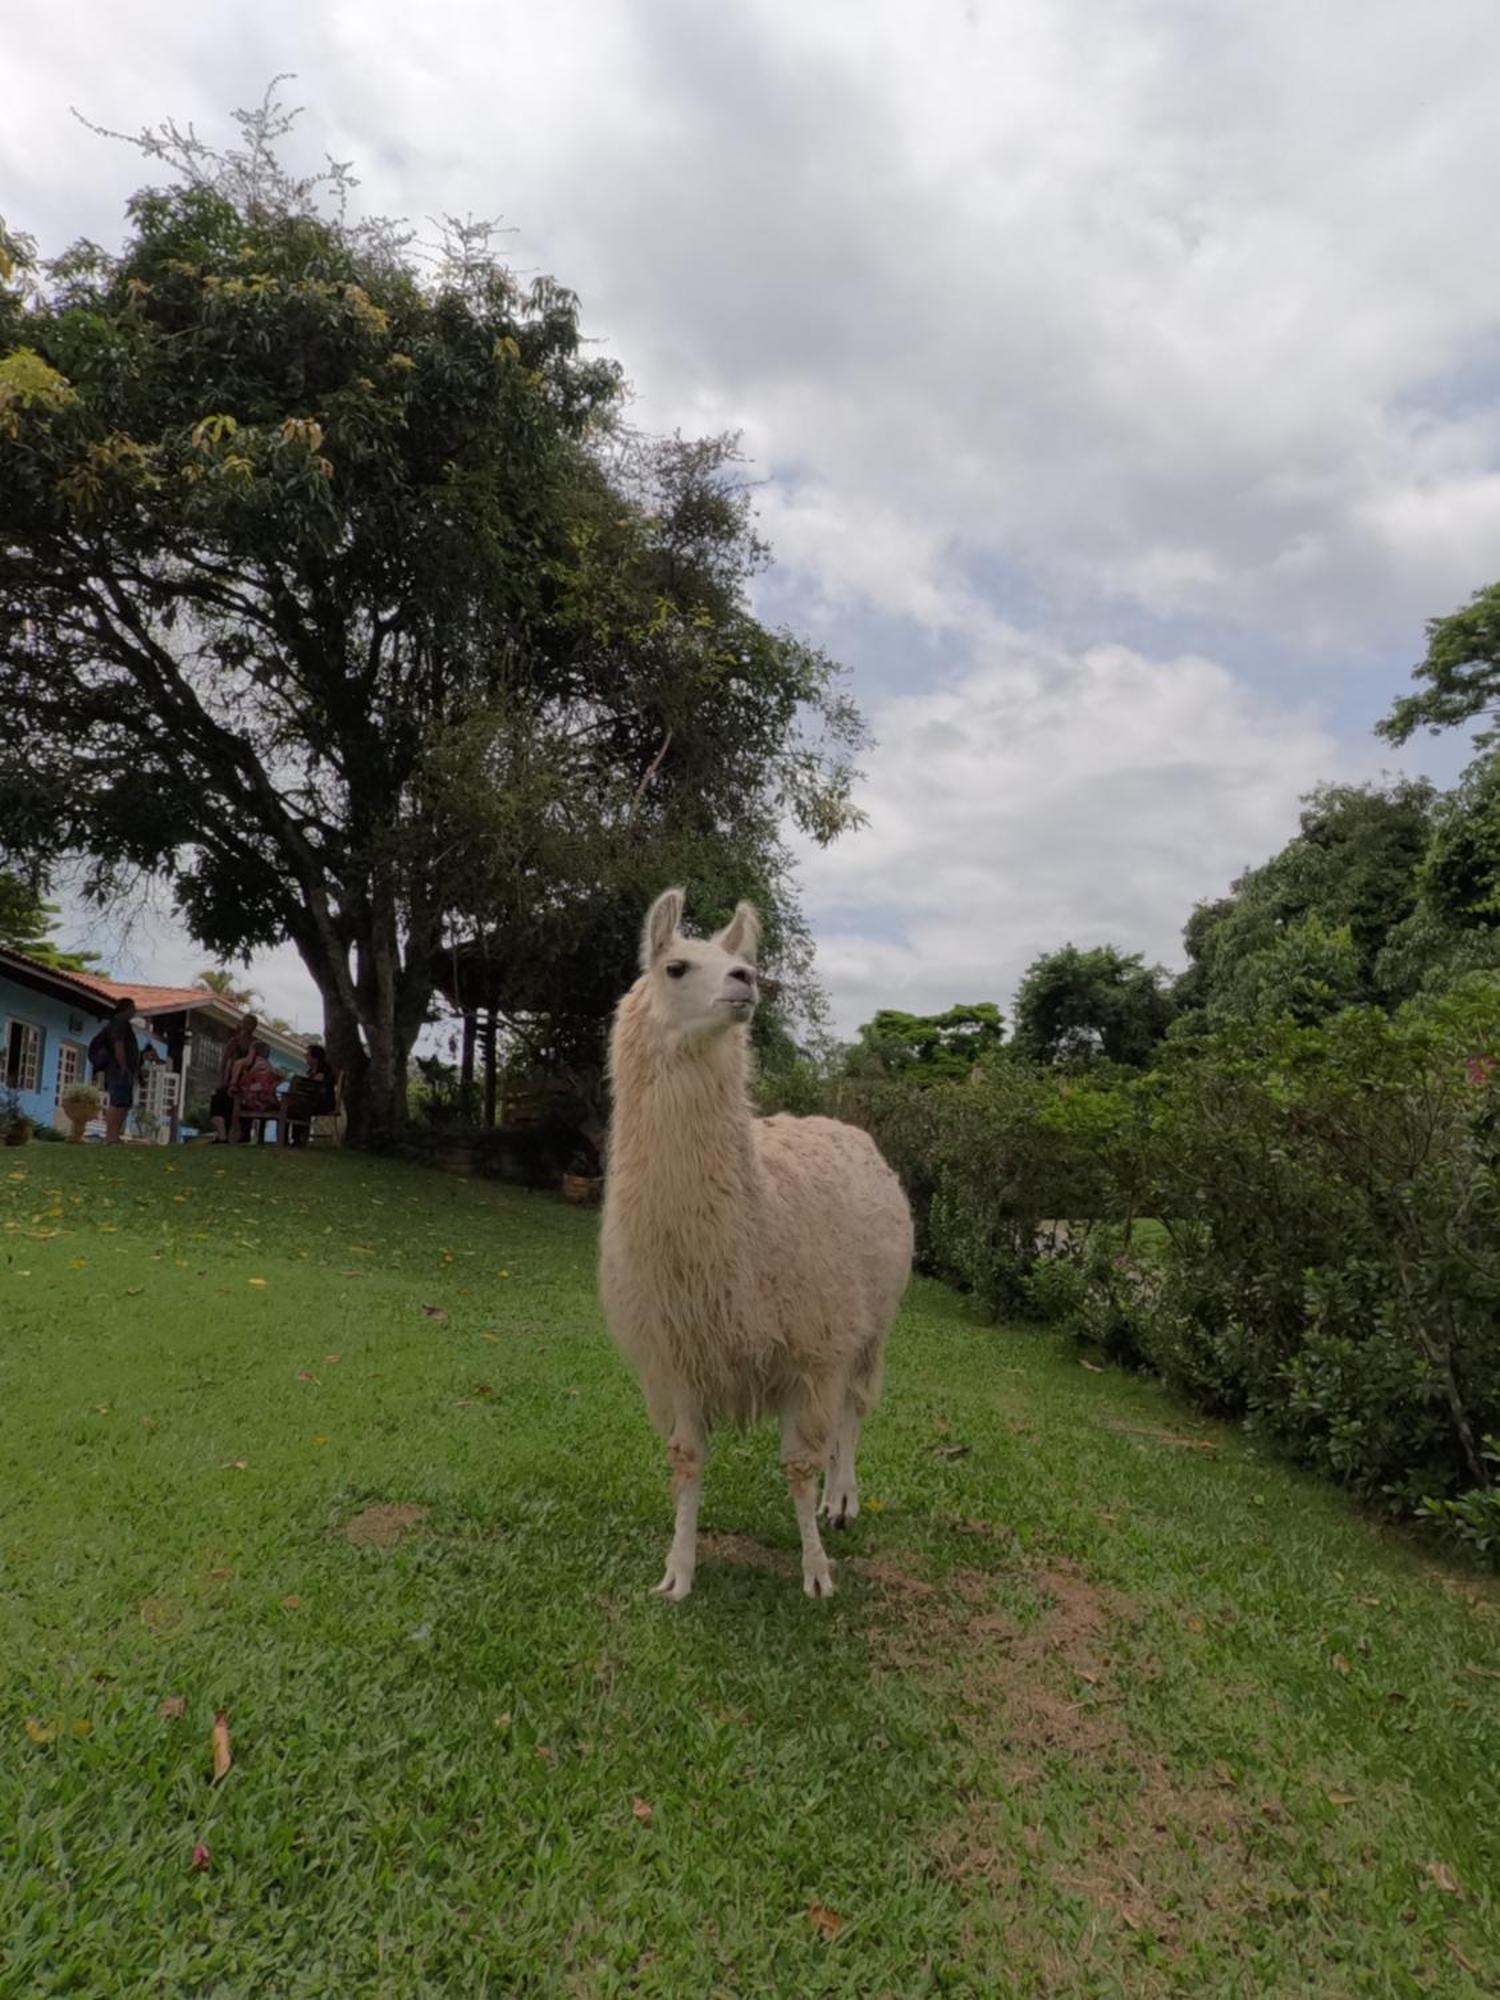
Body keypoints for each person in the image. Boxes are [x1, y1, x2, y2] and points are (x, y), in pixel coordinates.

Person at [94, 997, 139, 1146]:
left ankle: (115, 1136)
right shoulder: (118, 1024)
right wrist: (123, 1066)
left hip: (124, 1069)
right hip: (119, 1070)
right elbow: (118, 1045)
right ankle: (110, 1137)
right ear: (125, 1009)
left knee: (124, 1103)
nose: (134, 1011)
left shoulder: (123, 1025)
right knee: (117, 1102)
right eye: (132, 1007)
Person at [210, 1013, 258, 1143]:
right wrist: (222, 1080)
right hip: (233, 1080)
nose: (247, 1026)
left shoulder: (256, 1044)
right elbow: (224, 1062)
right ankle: (222, 1134)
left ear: (254, 1027)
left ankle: (243, 1134)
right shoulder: (234, 1042)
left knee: (245, 1104)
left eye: (251, 1024)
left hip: (248, 1081)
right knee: (221, 1099)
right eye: (245, 1022)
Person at [279, 1043, 336, 1147]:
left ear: (315, 1057)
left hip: (322, 1102)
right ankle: (285, 1139)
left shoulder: (324, 1070)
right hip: (308, 1101)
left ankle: (297, 1139)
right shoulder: (310, 1071)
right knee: (289, 1108)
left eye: (308, 1054)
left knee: (298, 1108)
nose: (305, 1056)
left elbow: (317, 1086)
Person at [230, 1039, 282, 1140]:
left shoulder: (259, 1064)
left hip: (260, 1100)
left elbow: (246, 1082)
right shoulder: (269, 1065)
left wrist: (248, 1074)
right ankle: (244, 1134)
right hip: (270, 1099)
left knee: (239, 1099)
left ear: (253, 1051)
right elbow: (277, 1079)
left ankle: (239, 1135)